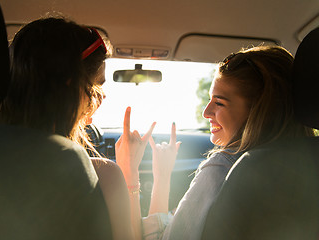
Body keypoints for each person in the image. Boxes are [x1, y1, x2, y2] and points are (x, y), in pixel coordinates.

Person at [116, 45, 314, 240]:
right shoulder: (310, 164)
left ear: (259, 111)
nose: (206, 112)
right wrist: (163, 175)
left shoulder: (224, 167)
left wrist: (129, 173)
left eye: (219, 103)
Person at [0, 16, 152, 240]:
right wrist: (128, 173)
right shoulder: (103, 178)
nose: (101, 98)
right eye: (96, 86)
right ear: (71, 87)